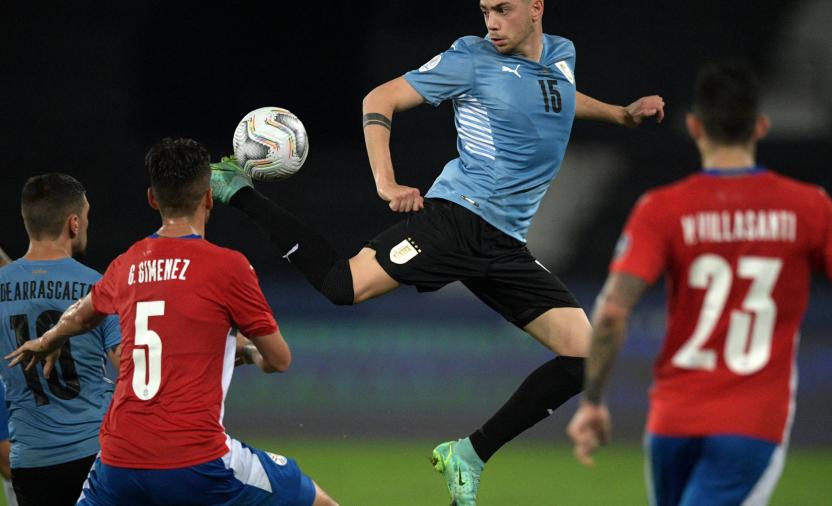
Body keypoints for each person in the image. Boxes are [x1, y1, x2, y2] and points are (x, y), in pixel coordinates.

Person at [209, 1, 664, 504]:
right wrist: (386, 183)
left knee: (586, 355)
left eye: (503, 9)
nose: (490, 21)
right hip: (457, 219)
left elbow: (556, 96)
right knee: (342, 286)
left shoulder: (561, 55)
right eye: (485, 10)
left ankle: (468, 454)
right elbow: (379, 99)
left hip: (503, 242)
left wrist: (620, 114)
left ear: (536, 8)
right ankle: (239, 192)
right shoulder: (468, 58)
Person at [566, 61, 832, 506]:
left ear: (694, 126)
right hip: (752, 423)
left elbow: (610, 313)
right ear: (760, 126)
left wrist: (593, 401)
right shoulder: (808, 207)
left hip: (672, 423)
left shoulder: (661, 209)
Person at [6, 139, 338, 506]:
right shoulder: (229, 267)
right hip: (196, 459)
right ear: (209, 198)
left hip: (118, 462)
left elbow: (81, 314)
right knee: (319, 502)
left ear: (152, 198)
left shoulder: (127, 263)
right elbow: (279, 360)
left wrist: (49, 338)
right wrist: (248, 352)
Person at [0, 174, 122, 506]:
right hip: (94, 451)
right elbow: (128, 366)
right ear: (73, 223)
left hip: (29, 461)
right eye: (85, 216)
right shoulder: (97, 287)